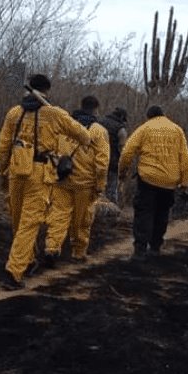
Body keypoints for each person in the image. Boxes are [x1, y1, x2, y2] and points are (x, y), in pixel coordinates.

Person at [0, 74, 94, 289]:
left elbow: (2, 146)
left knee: (18, 220)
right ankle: (14, 272)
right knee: (29, 223)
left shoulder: (14, 113)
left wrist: (3, 170)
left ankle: (27, 260)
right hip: (39, 174)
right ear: (47, 90)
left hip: (16, 169)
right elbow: (83, 136)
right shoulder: (54, 113)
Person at [117, 105, 188, 259]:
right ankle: (155, 247)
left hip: (148, 179)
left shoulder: (145, 128)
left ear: (148, 116)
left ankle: (140, 250)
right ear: (163, 114)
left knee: (144, 213)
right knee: (162, 214)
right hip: (169, 182)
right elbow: (185, 158)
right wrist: (185, 182)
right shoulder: (177, 130)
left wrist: (122, 172)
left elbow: (127, 152)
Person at [44, 96, 110, 264]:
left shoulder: (66, 126)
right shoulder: (99, 131)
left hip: (62, 178)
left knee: (58, 214)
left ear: (80, 106)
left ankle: (52, 247)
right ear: (96, 109)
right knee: (82, 219)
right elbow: (102, 163)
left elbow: (52, 150)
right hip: (85, 183)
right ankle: (78, 252)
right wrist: (100, 185)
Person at [98, 107, 128, 203]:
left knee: (96, 190)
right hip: (112, 163)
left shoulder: (99, 122)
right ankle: (111, 214)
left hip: (96, 160)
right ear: (122, 117)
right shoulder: (121, 129)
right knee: (111, 191)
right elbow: (123, 149)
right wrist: (123, 168)